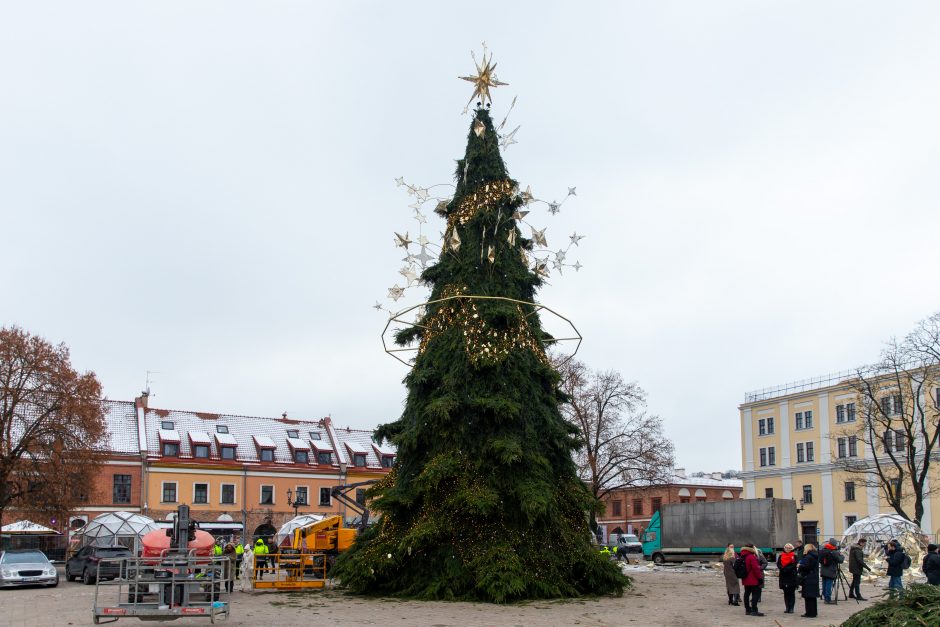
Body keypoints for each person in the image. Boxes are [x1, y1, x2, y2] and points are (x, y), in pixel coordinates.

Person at [741, 544, 765, 617]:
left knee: (747, 594)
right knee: (756, 594)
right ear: (751, 549)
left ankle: (747, 610)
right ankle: (754, 610)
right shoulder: (751, 556)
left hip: (745, 578)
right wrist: (760, 578)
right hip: (753, 579)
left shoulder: (742, 556)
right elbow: (756, 569)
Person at [818, 537, 844, 604]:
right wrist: (842, 555)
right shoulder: (834, 552)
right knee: (829, 584)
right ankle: (827, 599)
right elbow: (840, 560)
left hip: (823, 570)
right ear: (834, 544)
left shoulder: (823, 550)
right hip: (831, 570)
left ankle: (824, 596)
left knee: (824, 583)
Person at [797, 543, 820, 618]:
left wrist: (800, 565)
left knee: (808, 597)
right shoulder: (815, 556)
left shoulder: (808, 557)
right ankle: (814, 612)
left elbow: (806, 567)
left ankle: (809, 613)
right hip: (814, 578)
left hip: (808, 578)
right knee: (813, 598)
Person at [776, 543, 799, 614]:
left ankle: (791, 608)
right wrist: (782, 568)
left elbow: (794, 564)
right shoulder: (781, 556)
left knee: (791, 593)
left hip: (791, 576)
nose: (787, 549)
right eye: (786, 548)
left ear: (791, 548)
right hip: (783, 576)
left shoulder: (794, 556)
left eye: (789, 548)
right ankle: (787, 607)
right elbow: (778, 564)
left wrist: (787, 569)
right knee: (785, 593)